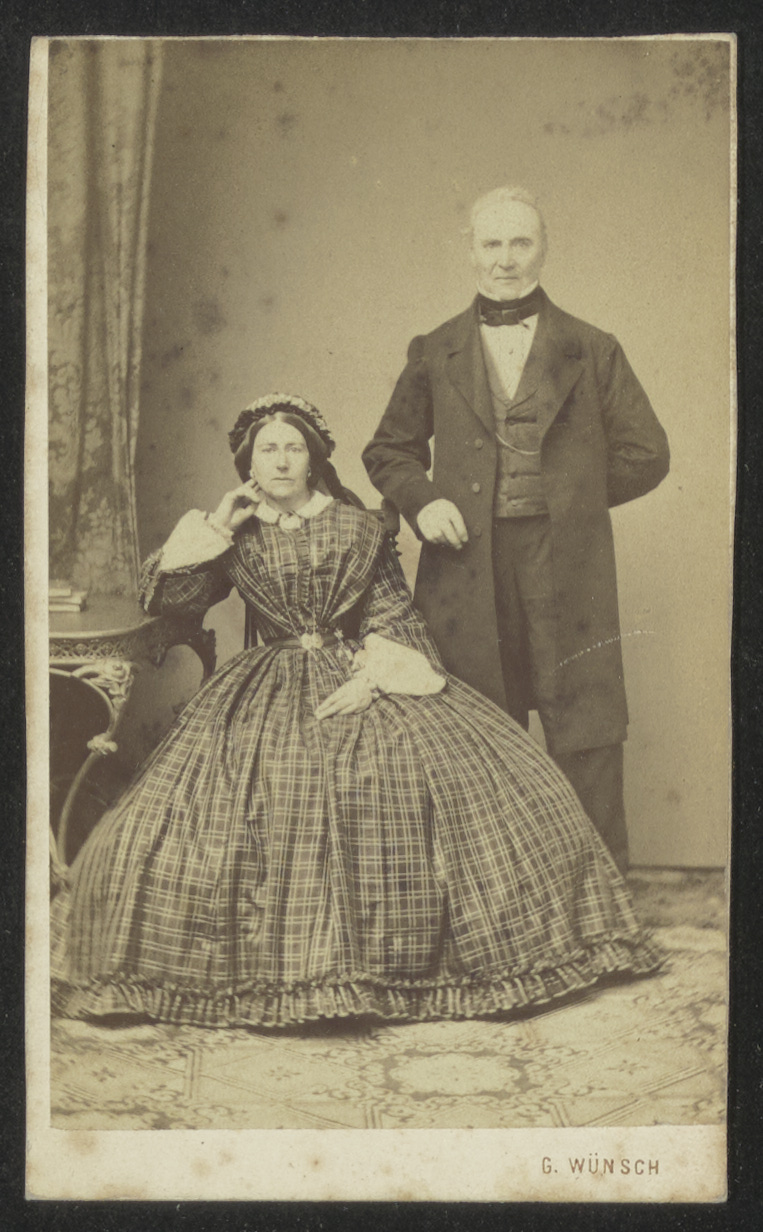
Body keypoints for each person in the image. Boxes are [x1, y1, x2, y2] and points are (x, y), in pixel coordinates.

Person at [51, 393, 661, 1030]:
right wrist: (218, 527)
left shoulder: (357, 527)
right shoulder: (237, 530)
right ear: (249, 464)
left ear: (313, 460)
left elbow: (396, 615)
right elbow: (169, 601)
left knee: (403, 781)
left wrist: (372, 678)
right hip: (264, 685)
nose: (281, 461)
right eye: (267, 450)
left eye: (293, 448)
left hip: (356, 672)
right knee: (200, 814)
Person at [362, 187, 670, 873]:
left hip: (565, 560)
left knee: (583, 718)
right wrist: (423, 502)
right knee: (473, 716)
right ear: (471, 251)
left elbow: (647, 454)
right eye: (492, 243)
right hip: (465, 562)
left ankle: (597, 898)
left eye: (520, 242)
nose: (505, 259)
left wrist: (572, 501)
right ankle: (486, 895)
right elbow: (389, 450)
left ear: (544, 248)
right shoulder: (435, 349)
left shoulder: (592, 347)